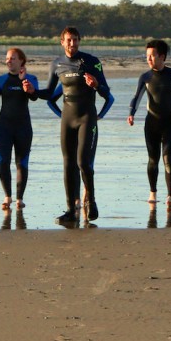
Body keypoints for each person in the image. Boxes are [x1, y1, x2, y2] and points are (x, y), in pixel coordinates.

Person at [38, 26, 114, 225]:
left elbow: (107, 93)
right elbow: (47, 94)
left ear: (79, 41)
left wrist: (96, 85)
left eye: (75, 40)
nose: (72, 44)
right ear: (61, 42)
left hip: (86, 117)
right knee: (68, 165)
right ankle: (71, 210)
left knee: (83, 163)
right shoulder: (56, 64)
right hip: (67, 119)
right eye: (68, 40)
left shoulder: (91, 62)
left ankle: (92, 202)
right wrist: (31, 92)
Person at [127, 40, 171, 208]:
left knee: (168, 159)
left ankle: (170, 196)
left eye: (152, 56)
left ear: (162, 57)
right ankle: (153, 192)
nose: (149, 59)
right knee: (152, 159)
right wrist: (131, 114)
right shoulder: (145, 77)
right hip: (151, 123)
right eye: (147, 56)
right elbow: (137, 97)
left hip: (170, 123)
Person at [0, 48, 39, 211]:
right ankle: (7, 196)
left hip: (23, 128)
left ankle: (19, 198)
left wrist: (24, 82)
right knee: (3, 161)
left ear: (21, 60)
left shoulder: (31, 79)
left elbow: (34, 97)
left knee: (22, 163)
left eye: (12, 58)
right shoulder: (0, 80)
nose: (9, 61)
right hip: (4, 128)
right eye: (7, 58)